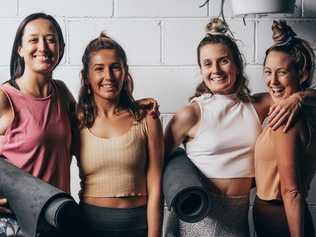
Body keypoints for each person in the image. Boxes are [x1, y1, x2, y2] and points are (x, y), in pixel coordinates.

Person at [163, 18, 315, 237]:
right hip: (198, 216)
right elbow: (155, 162)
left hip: (238, 220)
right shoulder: (191, 113)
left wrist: (299, 97)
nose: (215, 70)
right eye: (207, 63)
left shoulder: (258, 105)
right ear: (200, 69)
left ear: (237, 63)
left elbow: (296, 92)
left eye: (223, 61)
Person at [76, 32, 163, 237]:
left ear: (125, 72)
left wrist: (155, 234)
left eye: (115, 67)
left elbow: (156, 185)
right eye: (99, 69)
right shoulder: (76, 121)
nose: (109, 76)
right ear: (87, 77)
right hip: (89, 226)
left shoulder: (147, 118)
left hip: (138, 225)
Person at [0, 12, 77, 236]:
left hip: (54, 219)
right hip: (15, 223)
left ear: (61, 48)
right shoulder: (6, 97)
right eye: (33, 39)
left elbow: (98, 118)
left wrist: (131, 105)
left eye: (50, 39)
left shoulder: (61, 93)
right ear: (20, 49)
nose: (43, 47)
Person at [253, 20, 316, 237]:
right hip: (285, 217)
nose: (272, 81)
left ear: (302, 74)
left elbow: (292, 192)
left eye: (282, 72)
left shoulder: (285, 119)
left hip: (279, 220)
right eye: (268, 72)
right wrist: (301, 95)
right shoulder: (304, 109)